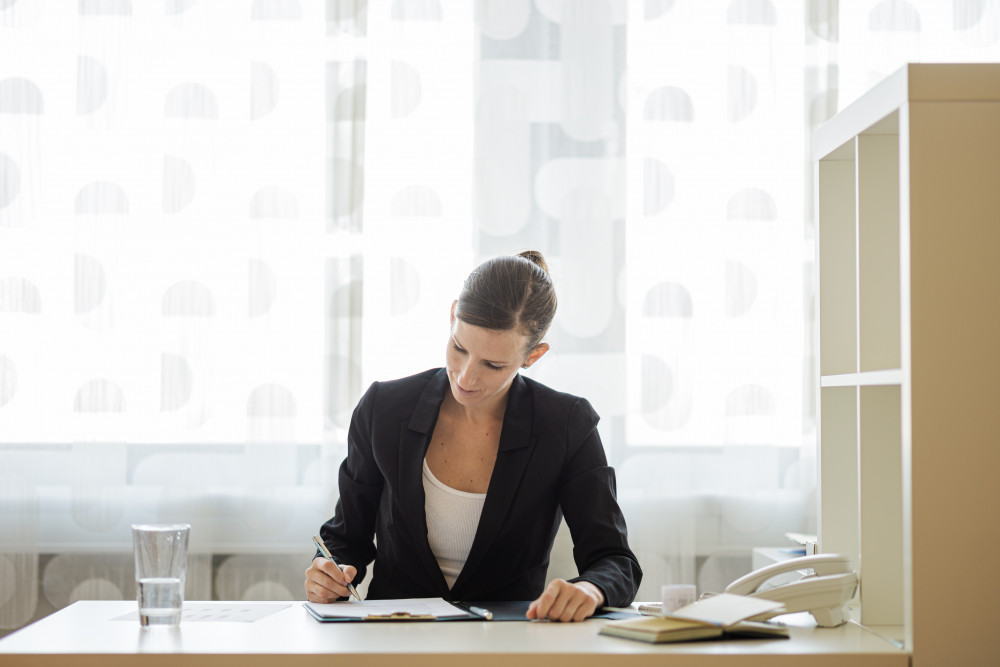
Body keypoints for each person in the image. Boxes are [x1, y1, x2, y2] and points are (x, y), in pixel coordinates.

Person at [305, 251, 641, 622]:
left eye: (493, 365)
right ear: (453, 317)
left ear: (533, 356)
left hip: (507, 644)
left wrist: (589, 590)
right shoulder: (383, 409)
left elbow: (615, 560)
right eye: (459, 348)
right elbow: (345, 539)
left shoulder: (566, 425)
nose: (465, 378)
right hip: (395, 638)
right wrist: (329, 571)